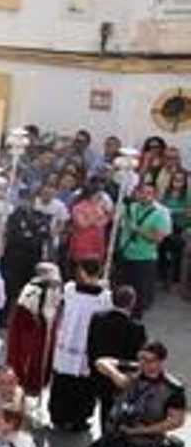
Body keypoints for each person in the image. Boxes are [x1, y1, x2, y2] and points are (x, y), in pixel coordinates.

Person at [49, 259, 110, 430]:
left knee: (63, 382)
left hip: (68, 343)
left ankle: (58, 417)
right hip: (86, 347)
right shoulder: (105, 297)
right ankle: (78, 419)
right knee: (83, 386)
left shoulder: (69, 289)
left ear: (83, 272)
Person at [86, 285, 147, 429]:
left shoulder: (97, 318)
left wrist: (92, 365)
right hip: (122, 376)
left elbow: (90, 344)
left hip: (99, 372)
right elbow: (140, 356)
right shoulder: (137, 327)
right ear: (132, 302)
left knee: (105, 406)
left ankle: (104, 435)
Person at [4, 262, 60, 396]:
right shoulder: (32, 290)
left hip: (44, 329)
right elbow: (26, 314)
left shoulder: (52, 288)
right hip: (33, 332)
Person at [115, 180, 172, 312]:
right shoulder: (132, 207)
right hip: (126, 254)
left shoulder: (161, 213)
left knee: (140, 294)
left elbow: (158, 239)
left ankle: (136, 315)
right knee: (123, 288)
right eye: (142, 192)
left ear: (155, 195)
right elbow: (117, 221)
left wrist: (138, 230)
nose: (145, 195)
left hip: (144, 259)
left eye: (149, 193)